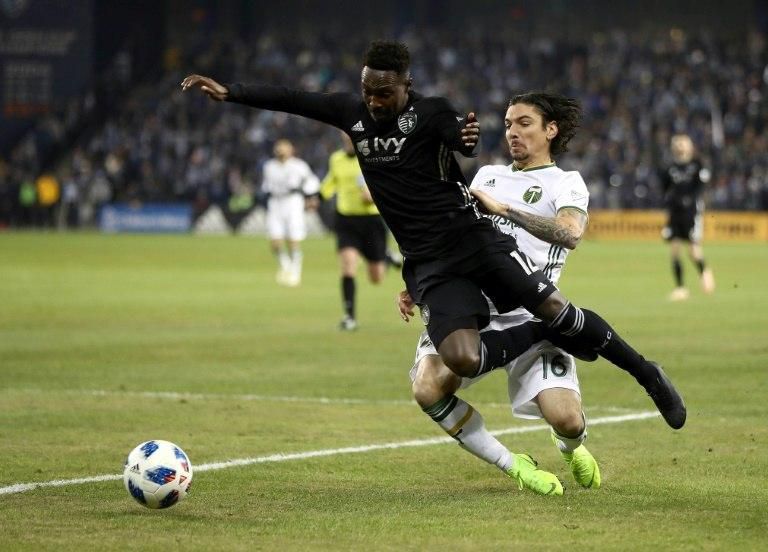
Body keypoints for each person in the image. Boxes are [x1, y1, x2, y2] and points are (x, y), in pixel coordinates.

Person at [181, 40, 685, 430]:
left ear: (406, 84)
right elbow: (294, 99)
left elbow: (455, 136)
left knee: (555, 308)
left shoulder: (431, 111)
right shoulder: (355, 115)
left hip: (473, 244)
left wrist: (462, 139)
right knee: (466, 357)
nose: (374, 101)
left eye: (384, 91)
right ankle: (535, 348)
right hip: (431, 263)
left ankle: (646, 372)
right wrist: (232, 93)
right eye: (367, 90)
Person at [398, 92, 599, 497]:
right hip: (471, 311)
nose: (513, 132)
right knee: (427, 388)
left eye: (524, 123)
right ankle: (514, 465)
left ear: (550, 130)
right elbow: (452, 237)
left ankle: (571, 446)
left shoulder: (566, 183)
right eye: (508, 124)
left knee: (567, 419)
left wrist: (503, 211)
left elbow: (570, 234)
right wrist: (416, 284)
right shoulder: (486, 176)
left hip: (533, 314)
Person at [321, 133, 389, 330]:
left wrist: (374, 193)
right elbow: (331, 182)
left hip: (371, 221)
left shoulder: (374, 157)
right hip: (346, 220)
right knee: (348, 266)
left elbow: (387, 183)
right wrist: (318, 196)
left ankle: (385, 256)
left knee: (376, 277)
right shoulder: (336, 159)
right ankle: (349, 317)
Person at [659, 133, 715, 301]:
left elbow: (701, 186)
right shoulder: (670, 167)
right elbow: (664, 188)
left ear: (690, 146)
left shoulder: (698, 165)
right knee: (674, 250)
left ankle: (704, 272)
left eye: (683, 144)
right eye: (677, 144)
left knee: (693, 250)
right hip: (675, 213)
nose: (680, 147)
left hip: (691, 213)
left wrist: (690, 199)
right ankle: (681, 288)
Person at [262, 139, 320, 287]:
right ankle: (285, 265)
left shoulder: (299, 165)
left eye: (283, 148)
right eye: (278, 148)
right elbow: (266, 186)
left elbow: (312, 181)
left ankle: (295, 271)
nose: (280, 150)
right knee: (275, 241)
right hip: (275, 202)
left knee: (293, 239)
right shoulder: (269, 166)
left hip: (293, 201)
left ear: (290, 149)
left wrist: (310, 197)